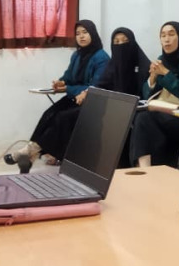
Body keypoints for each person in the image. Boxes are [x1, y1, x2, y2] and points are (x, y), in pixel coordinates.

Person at [32, 27, 150, 170]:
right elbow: (99, 85)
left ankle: (42, 151)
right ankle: (39, 150)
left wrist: (72, 89)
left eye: (125, 41)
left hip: (133, 109)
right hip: (109, 105)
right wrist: (67, 84)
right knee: (52, 113)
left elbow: (147, 93)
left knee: (69, 116)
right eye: (116, 42)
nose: (120, 46)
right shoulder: (104, 63)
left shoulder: (141, 65)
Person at [21, 20, 109, 164]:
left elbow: (95, 86)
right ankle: (34, 148)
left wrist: (68, 88)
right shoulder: (77, 55)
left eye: (85, 32)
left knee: (62, 118)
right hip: (75, 98)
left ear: (93, 34)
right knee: (49, 113)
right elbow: (69, 76)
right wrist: (60, 82)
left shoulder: (102, 57)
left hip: (92, 101)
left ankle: (42, 152)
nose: (81, 36)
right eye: (78, 34)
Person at [131, 22, 179, 167]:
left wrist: (166, 74)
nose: (166, 39)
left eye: (171, 34)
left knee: (144, 119)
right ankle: (148, 167)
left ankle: (145, 168)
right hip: (161, 115)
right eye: (163, 35)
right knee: (139, 117)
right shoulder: (162, 59)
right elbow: (147, 95)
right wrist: (152, 79)